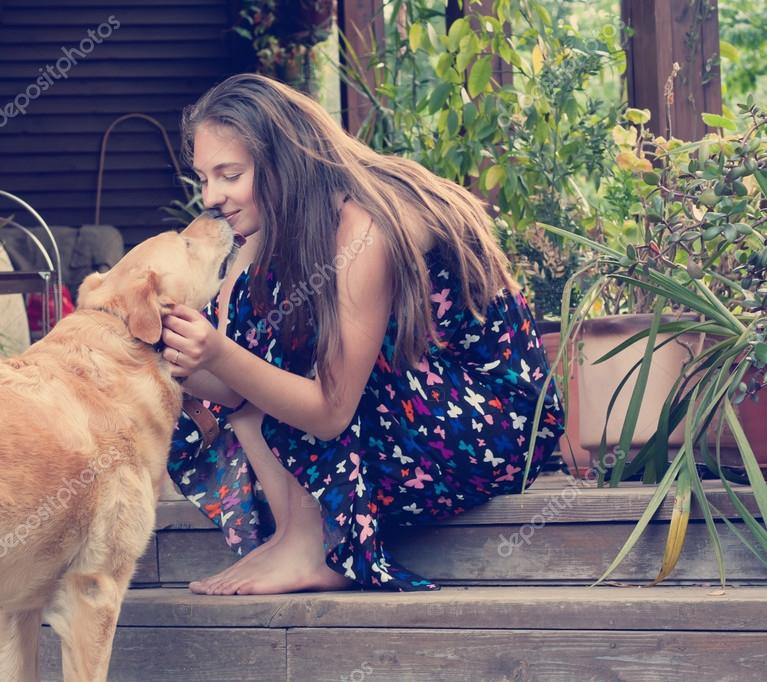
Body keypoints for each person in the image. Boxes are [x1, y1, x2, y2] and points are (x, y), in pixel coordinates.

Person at [159, 73, 564, 595]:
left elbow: (329, 412)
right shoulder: (273, 229)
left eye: (229, 175)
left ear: (283, 160)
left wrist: (219, 352)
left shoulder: (365, 228)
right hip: (413, 401)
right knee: (247, 335)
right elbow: (239, 388)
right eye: (203, 178)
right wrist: (181, 362)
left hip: (496, 421)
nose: (212, 196)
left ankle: (314, 548)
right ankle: (291, 535)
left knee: (293, 346)